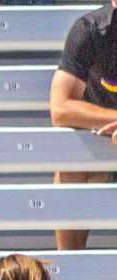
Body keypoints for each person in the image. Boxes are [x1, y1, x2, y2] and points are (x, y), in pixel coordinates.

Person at [50, 6, 117, 251]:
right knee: (70, 164)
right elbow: (61, 108)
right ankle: (71, 267)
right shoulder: (92, 30)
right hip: (104, 146)